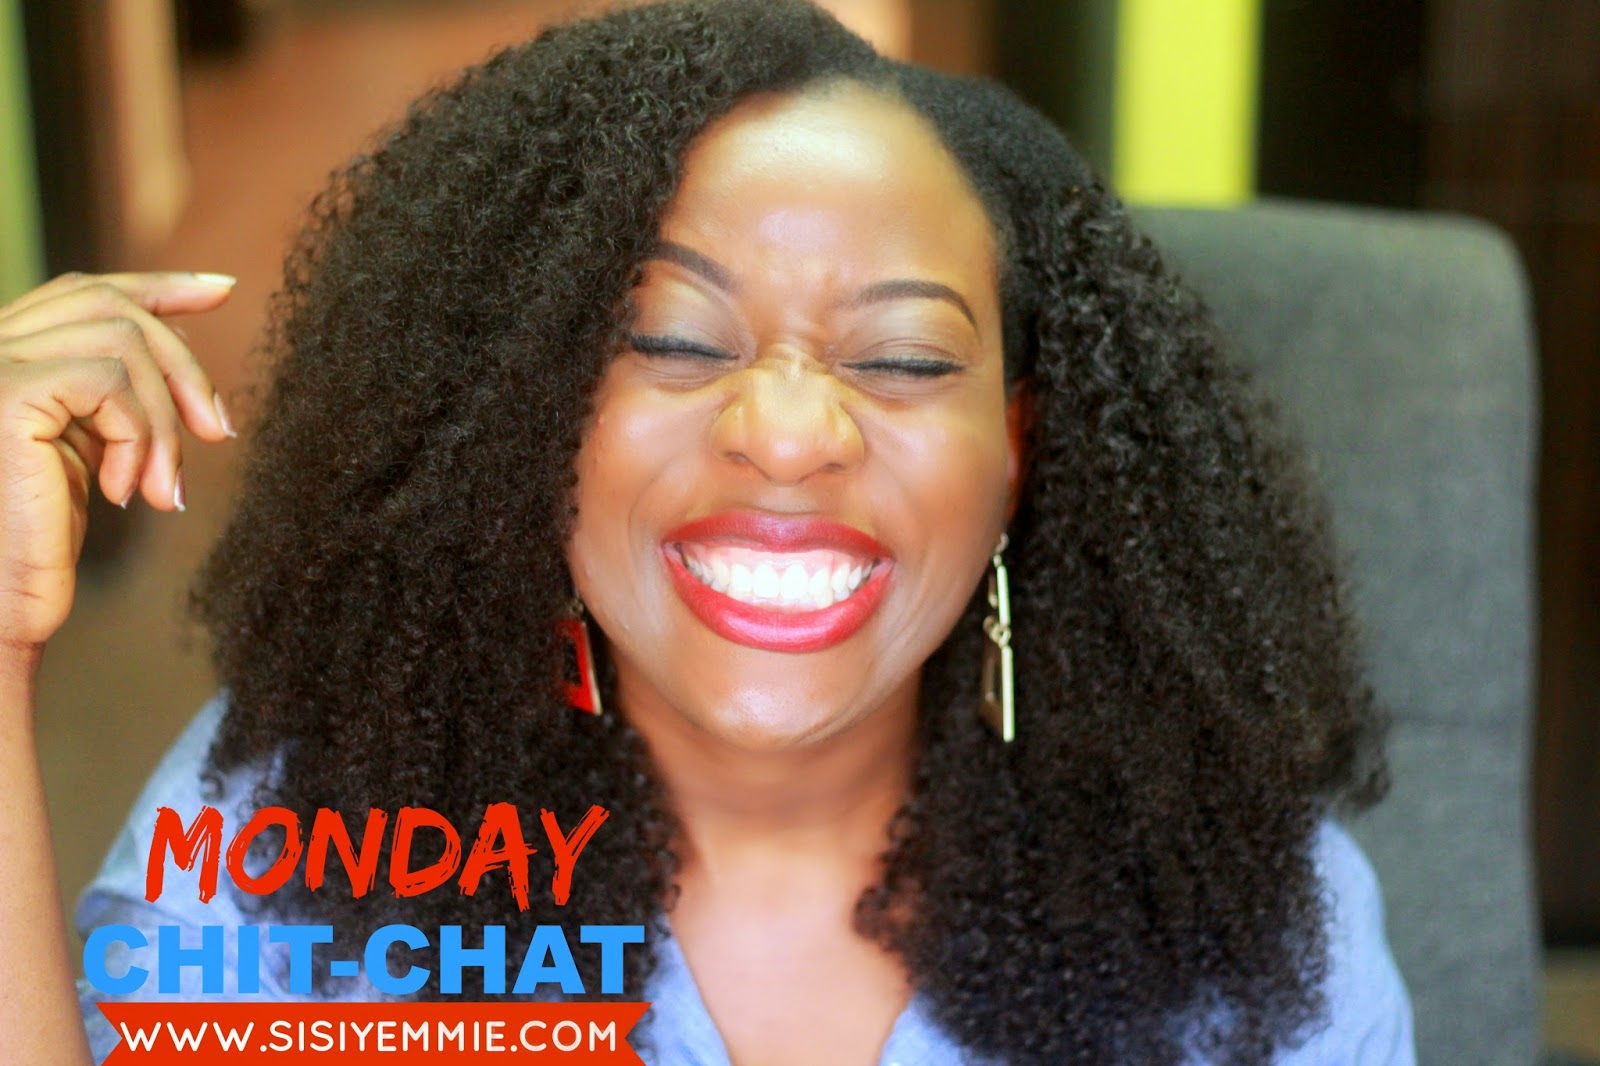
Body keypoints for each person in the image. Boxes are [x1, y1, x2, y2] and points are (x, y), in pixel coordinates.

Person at [0, 1, 1413, 1063]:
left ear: (1019, 449)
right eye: (673, 339)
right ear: (531, 419)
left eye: (904, 358)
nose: (787, 433)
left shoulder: (1240, 918)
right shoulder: (289, 844)